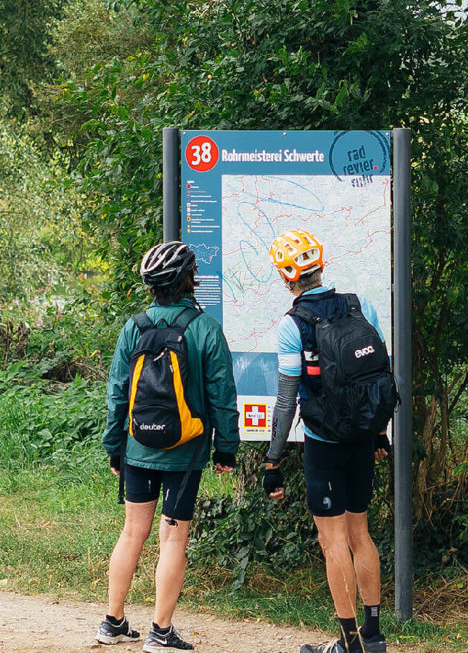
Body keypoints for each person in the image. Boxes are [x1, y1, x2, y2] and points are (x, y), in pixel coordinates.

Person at [99, 240, 240, 652]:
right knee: (173, 538)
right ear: (188, 280)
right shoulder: (204, 329)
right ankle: (160, 633)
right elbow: (222, 394)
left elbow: (117, 394)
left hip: (137, 447)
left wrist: (114, 447)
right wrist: (226, 449)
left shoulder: (134, 327)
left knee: (131, 532)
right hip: (186, 451)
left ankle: (112, 622)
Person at [262, 229, 390, 653]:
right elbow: (377, 378)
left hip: (323, 442)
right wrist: (378, 432)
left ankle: (348, 644)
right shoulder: (359, 305)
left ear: (286, 277)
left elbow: (285, 402)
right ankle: (373, 636)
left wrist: (272, 460)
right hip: (361, 437)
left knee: (332, 540)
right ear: (319, 266)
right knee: (361, 534)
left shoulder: (292, 325)